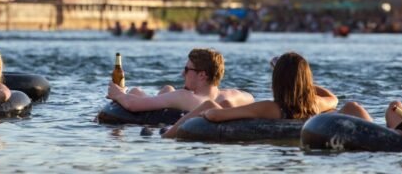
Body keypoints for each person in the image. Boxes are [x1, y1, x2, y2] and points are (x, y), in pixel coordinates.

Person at [161, 52, 339, 137]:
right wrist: (304, 85)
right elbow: (333, 99)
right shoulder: (314, 104)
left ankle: (167, 135)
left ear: (277, 80)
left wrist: (206, 113)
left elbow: (216, 115)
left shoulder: (270, 107)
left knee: (209, 105)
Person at [107, 48, 253, 119]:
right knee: (167, 88)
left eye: (187, 69)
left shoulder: (185, 97)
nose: (183, 74)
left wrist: (118, 93)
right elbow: (251, 98)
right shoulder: (233, 95)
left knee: (135, 92)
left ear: (202, 75)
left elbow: (132, 105)